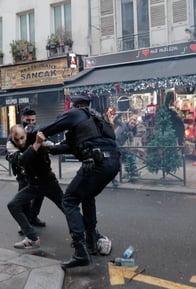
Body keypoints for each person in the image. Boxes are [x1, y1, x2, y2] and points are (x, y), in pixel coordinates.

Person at [40, 93, 120, 269]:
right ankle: (91, 244)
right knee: (87, 196)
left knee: (69, 200)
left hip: (98, 163)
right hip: (113, 163)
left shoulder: (76, 113)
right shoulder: (96, 118)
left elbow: (49, 128)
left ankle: (80, 250)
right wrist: (51, 150)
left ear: (73, 104)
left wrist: (34, 134)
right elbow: (70, 145)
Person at [6, 125, 64, 249]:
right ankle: (32, 237)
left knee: (67, 208)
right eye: (17, 140)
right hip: (33, 184)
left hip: (49, 182)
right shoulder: (10, 145)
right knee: (13, 205)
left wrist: (45, 145)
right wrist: (37, 144)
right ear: (12, 138)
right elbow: (22, 160)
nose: (20, 142)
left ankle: (93, 236)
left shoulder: (34, 136)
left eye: (22, 138)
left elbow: (54, 147)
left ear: (26, 134)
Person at [7, 106, 46, 236]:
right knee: (23, 198)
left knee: (40, 195)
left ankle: (33, 217)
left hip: (36, 171)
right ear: (23, 118)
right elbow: (11, 149)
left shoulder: (36, 130)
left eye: (32, 120)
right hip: (23, 171)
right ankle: (24, 223)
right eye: (28, 120)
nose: (30, 122)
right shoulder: (17, 131)